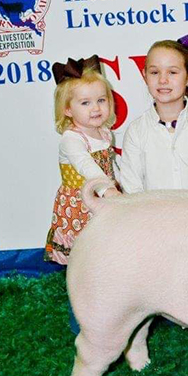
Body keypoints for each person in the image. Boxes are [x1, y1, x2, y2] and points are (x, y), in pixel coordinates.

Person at [120, 34, 188, 192]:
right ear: (145, 75)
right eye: (154, 72)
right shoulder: (136, 132)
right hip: (151, 209)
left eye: (172, 72)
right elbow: (131, 190)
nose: (163, 80)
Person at [44, 55, 121, 266]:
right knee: (84, 248)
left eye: (101, 100)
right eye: (85, 103)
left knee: (105, 243)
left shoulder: (104, 132)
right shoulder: (71, 139)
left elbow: (111, 164)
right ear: (67, 109)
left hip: (104, 196)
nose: (95, 108)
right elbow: (86, 166)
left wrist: (121, 185)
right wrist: (106, 189)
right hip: (80, 202)